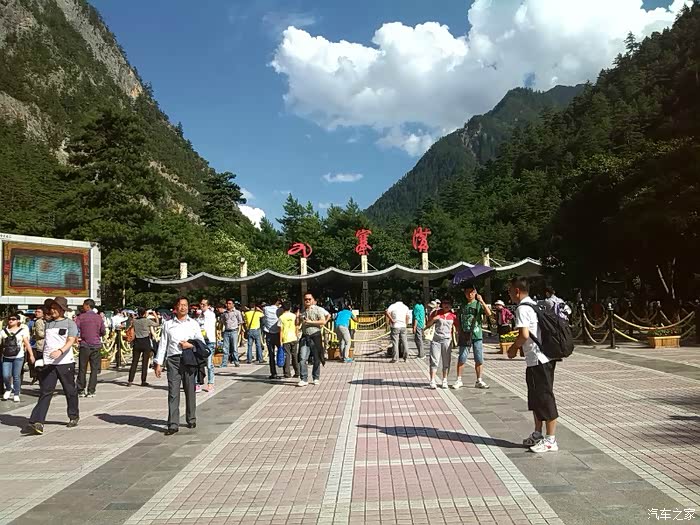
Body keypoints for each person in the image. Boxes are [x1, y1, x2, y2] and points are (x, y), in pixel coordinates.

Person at [507, 277, 559, 453]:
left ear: (516, 291)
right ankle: (538, 434)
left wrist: (513, 348)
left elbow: (524, 334)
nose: (509, 294)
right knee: (536, 398)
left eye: (510, 291)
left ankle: (551, 439)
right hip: (541, 358)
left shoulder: (522, 308)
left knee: (545, 398)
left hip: (539, 360)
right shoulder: (534, 305)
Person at [23, 297, 80, 435]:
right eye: (52, 308)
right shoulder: (47, 323)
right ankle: (37, 422)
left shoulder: (70, 323)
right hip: (49, 363)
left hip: (65, 363)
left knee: (70, 391)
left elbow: (71, 340)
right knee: (45, 391)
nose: (52, 310)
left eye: (56, 308)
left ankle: (73, 416)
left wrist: (60, 351)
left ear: (62, 310)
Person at [154, 297, 205, 436]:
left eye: (185, 305)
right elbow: (163, 344)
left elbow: (200, 342)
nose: (183, 307)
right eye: (181, 305)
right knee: (173, 392)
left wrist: (190, 345)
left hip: (189, 359)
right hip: (173, 360)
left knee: (190, 390)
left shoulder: (193, 323)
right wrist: (158, 363)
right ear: (176, 308)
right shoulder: (168, 324)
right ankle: (173, 424)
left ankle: (191, 418)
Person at [455, 284, 491, 390]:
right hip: (465, 335)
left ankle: (479, 379)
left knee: (479, 358)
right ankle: (459, 379)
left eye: (472, 292)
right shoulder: (463, 306)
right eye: (467, 292)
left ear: (475, 292)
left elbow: (488, 313)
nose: (469, 294)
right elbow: (459, 319)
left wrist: (482, 301)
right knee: (462, 357)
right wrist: (459, 331)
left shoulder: (478, 304)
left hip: (477, 335)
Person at [298, 293, 330, 387]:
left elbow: (323, 321)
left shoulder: (318, 309)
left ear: (313, 300)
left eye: (309, 299)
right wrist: (298, 318)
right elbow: (298, 323)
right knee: (302, 358)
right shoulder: (302, 311)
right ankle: (303, 378)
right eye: (306, 299)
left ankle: (316, 377)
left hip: (315, 336)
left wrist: (311, 322)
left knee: (317, 358)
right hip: (305, 336)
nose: (307, 301)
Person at [75, 299, 105, 398]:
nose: (82, 307)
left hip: (84, 345)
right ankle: (91, 390)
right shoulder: (98, 317)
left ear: (87, 306)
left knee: (82, 368)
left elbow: (75, 328)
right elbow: (103, 331)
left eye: (84, 305)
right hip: (96, 345)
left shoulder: (81, 317)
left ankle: (81, 389)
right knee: (94, 369)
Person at [426, 296, 457, 389]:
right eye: (444, 303)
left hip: (447, 340)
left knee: (446, 361)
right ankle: (432, 380)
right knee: (434, 360)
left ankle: (445, 380)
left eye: (448, 303)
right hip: (436, 340)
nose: (446, 305)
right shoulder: (436, 313)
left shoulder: (453, 316)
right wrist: (434, 319)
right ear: (441, 304)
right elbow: (428, 324)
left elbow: (458, 328)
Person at [2, 312, 33, 402]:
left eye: (13, 319)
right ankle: (8, 388)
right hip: (6, 356)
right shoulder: (3, 331)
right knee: (6, 375)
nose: (11, 321)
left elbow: (26, 343)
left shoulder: (22, 331)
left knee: (16, 376)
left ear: (18, 321)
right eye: (9, 319)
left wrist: (31, 355)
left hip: (18, 357)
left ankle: (16, 393)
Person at [129, 307, 159, 386]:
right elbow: (157, 324)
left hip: (137, 342)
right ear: (144, 313)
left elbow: (131, 326)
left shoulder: (135, 321)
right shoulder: (147, 321)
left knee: (134, 362)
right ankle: (143, 380)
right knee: (145, 363)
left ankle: (130, 380)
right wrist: (155, 316)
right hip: (145, 342)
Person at [198, 298, 217, 392]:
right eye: (201, 304)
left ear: (208, 306)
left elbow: (205, 326)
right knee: (198, 363)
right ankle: (198, 382)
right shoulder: (199, 315)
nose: (202, 306)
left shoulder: (210, 315)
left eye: (204, 305)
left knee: (209, 364)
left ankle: (210, 383)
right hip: (201, 340)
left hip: (209, 341)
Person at [278, 302, 300, 378]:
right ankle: (297, 372)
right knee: (294, 355)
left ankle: (287, 373)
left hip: (286, 338)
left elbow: (280, 330)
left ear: (282, 308)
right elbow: (296, 326)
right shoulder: (294, 316)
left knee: (287, 356)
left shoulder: (281, 317)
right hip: (294, 338)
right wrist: (297, 336)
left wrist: (280, 341)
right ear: (290, 308)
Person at [219, 299, 243, 367]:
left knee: (234, 348)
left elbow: (240, 321)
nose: (228, 305)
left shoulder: (237, 312)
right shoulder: (224, 313)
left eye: (230, 303)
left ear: (233, 304)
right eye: (227, 303)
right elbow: (223, 321)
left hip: (234, 331)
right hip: (226, 332)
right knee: (225, 348)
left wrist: (238, 330)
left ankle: (236, 362)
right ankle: (224, 363)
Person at [262, 299, 282, 379]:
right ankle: (286, 371)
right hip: (278, 333)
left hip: (269, 333)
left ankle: (273, 373)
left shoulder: (265, 309)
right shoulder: (279, 310)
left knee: (271, 354)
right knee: (282, 351)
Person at [29, 306, 46, 384]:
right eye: (36, 311)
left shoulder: (43, 321)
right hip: (34, 344)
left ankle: (38, 377)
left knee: (39, 362)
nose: (36, 313)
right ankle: (35, 376)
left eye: (39, 312)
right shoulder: (33, 322)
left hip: (40, 345)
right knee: (33, 362)